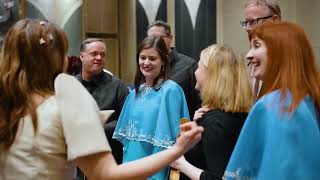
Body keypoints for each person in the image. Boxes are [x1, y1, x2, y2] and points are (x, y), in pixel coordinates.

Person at [0, 18, 204, 180]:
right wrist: (176, 151)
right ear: (53, 60)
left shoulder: (7, 102)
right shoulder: (69, 95)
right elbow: (105, 173)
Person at [224, 21, 320, 179]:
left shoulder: (276, 105)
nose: (248, 55)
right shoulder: (306, 101)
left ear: (281, 51)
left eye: (256, 45)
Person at [112, 35, 190, 180]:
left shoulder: (171, 91)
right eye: (143, 57)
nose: (146, 62)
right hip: (130, 169)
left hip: (156, 172)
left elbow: (173, 141)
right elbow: (127, 143)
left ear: (163, 61)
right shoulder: (134, 93)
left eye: (152, 58)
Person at [171, 44, 253, 180]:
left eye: (199, 66)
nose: (195, 72)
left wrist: (181, 164)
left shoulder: (216, 123)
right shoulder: (235, 115)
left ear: (212, 75)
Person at [75, 38, 128, 164]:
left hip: (109, 158)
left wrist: (100, 128)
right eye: (94, 54)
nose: (99, 58)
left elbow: (127, 121)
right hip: (76, 160)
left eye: (102, 55)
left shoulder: (118, 86)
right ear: (82, 56)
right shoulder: (71, 85)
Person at [147, 20, 201, 119]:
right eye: (151, 38)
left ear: (170, 38)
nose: (154, 41)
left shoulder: (188, 66)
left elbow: (199, 101)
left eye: (159, 37)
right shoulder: (146, 66)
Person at [241, 0, 281, 100]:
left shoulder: (290, 58)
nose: (248, 28)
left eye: (253, 22)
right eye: (246, 23)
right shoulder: (255, 56)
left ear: (274, 20)